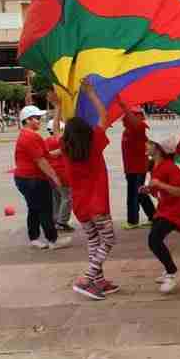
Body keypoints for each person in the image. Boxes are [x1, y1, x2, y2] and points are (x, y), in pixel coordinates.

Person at [61, 80, 117, 300]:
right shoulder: (94, 143)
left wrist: (60, 105)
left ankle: (99, 281)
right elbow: (104, 116)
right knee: (108, 240)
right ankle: (87, 279)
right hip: (97, 203)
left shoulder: (65, 149)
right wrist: (91, 93)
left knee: (94, 241)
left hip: (80, 204)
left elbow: (61, 130)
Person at [13, 104, 70, 250]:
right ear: (27, 120)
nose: (40, 121)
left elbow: (47, 155)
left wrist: (62, 149)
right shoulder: (31, 137)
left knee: (34, 208)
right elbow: (41, 161)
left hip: (25, 178)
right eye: (36, 118)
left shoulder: (26, 135)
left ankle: (34, 238)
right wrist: (55, 177)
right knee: (45, 209)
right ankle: (52, 240)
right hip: (33, 179)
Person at [143, 135, 180, 294]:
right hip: (164, 210)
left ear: (159, 149)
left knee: (154, 240)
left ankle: (173, 272)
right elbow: (159, 192)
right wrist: (148, 190)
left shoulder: (170, 167)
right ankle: (169, 269)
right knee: (154, 240)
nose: (147, 145)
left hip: (175, 211)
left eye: (150, 143)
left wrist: (159, 184)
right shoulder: (155, 166)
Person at [121, 103, 156, 230]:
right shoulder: (127, 131)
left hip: (138, 168)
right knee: (140, 194)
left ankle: (133, 221)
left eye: (136, 115)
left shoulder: (139, 129)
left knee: (133, 195)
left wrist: (124, 107)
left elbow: (137, 125)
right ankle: (154, 216)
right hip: (130, 168)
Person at [45, 117, 74, 232]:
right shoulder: (61, 141)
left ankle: (55, 219)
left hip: (51, 173)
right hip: (62, 173)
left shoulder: (46, 141)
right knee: (67, 197)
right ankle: (62, 222)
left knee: (56, 197)